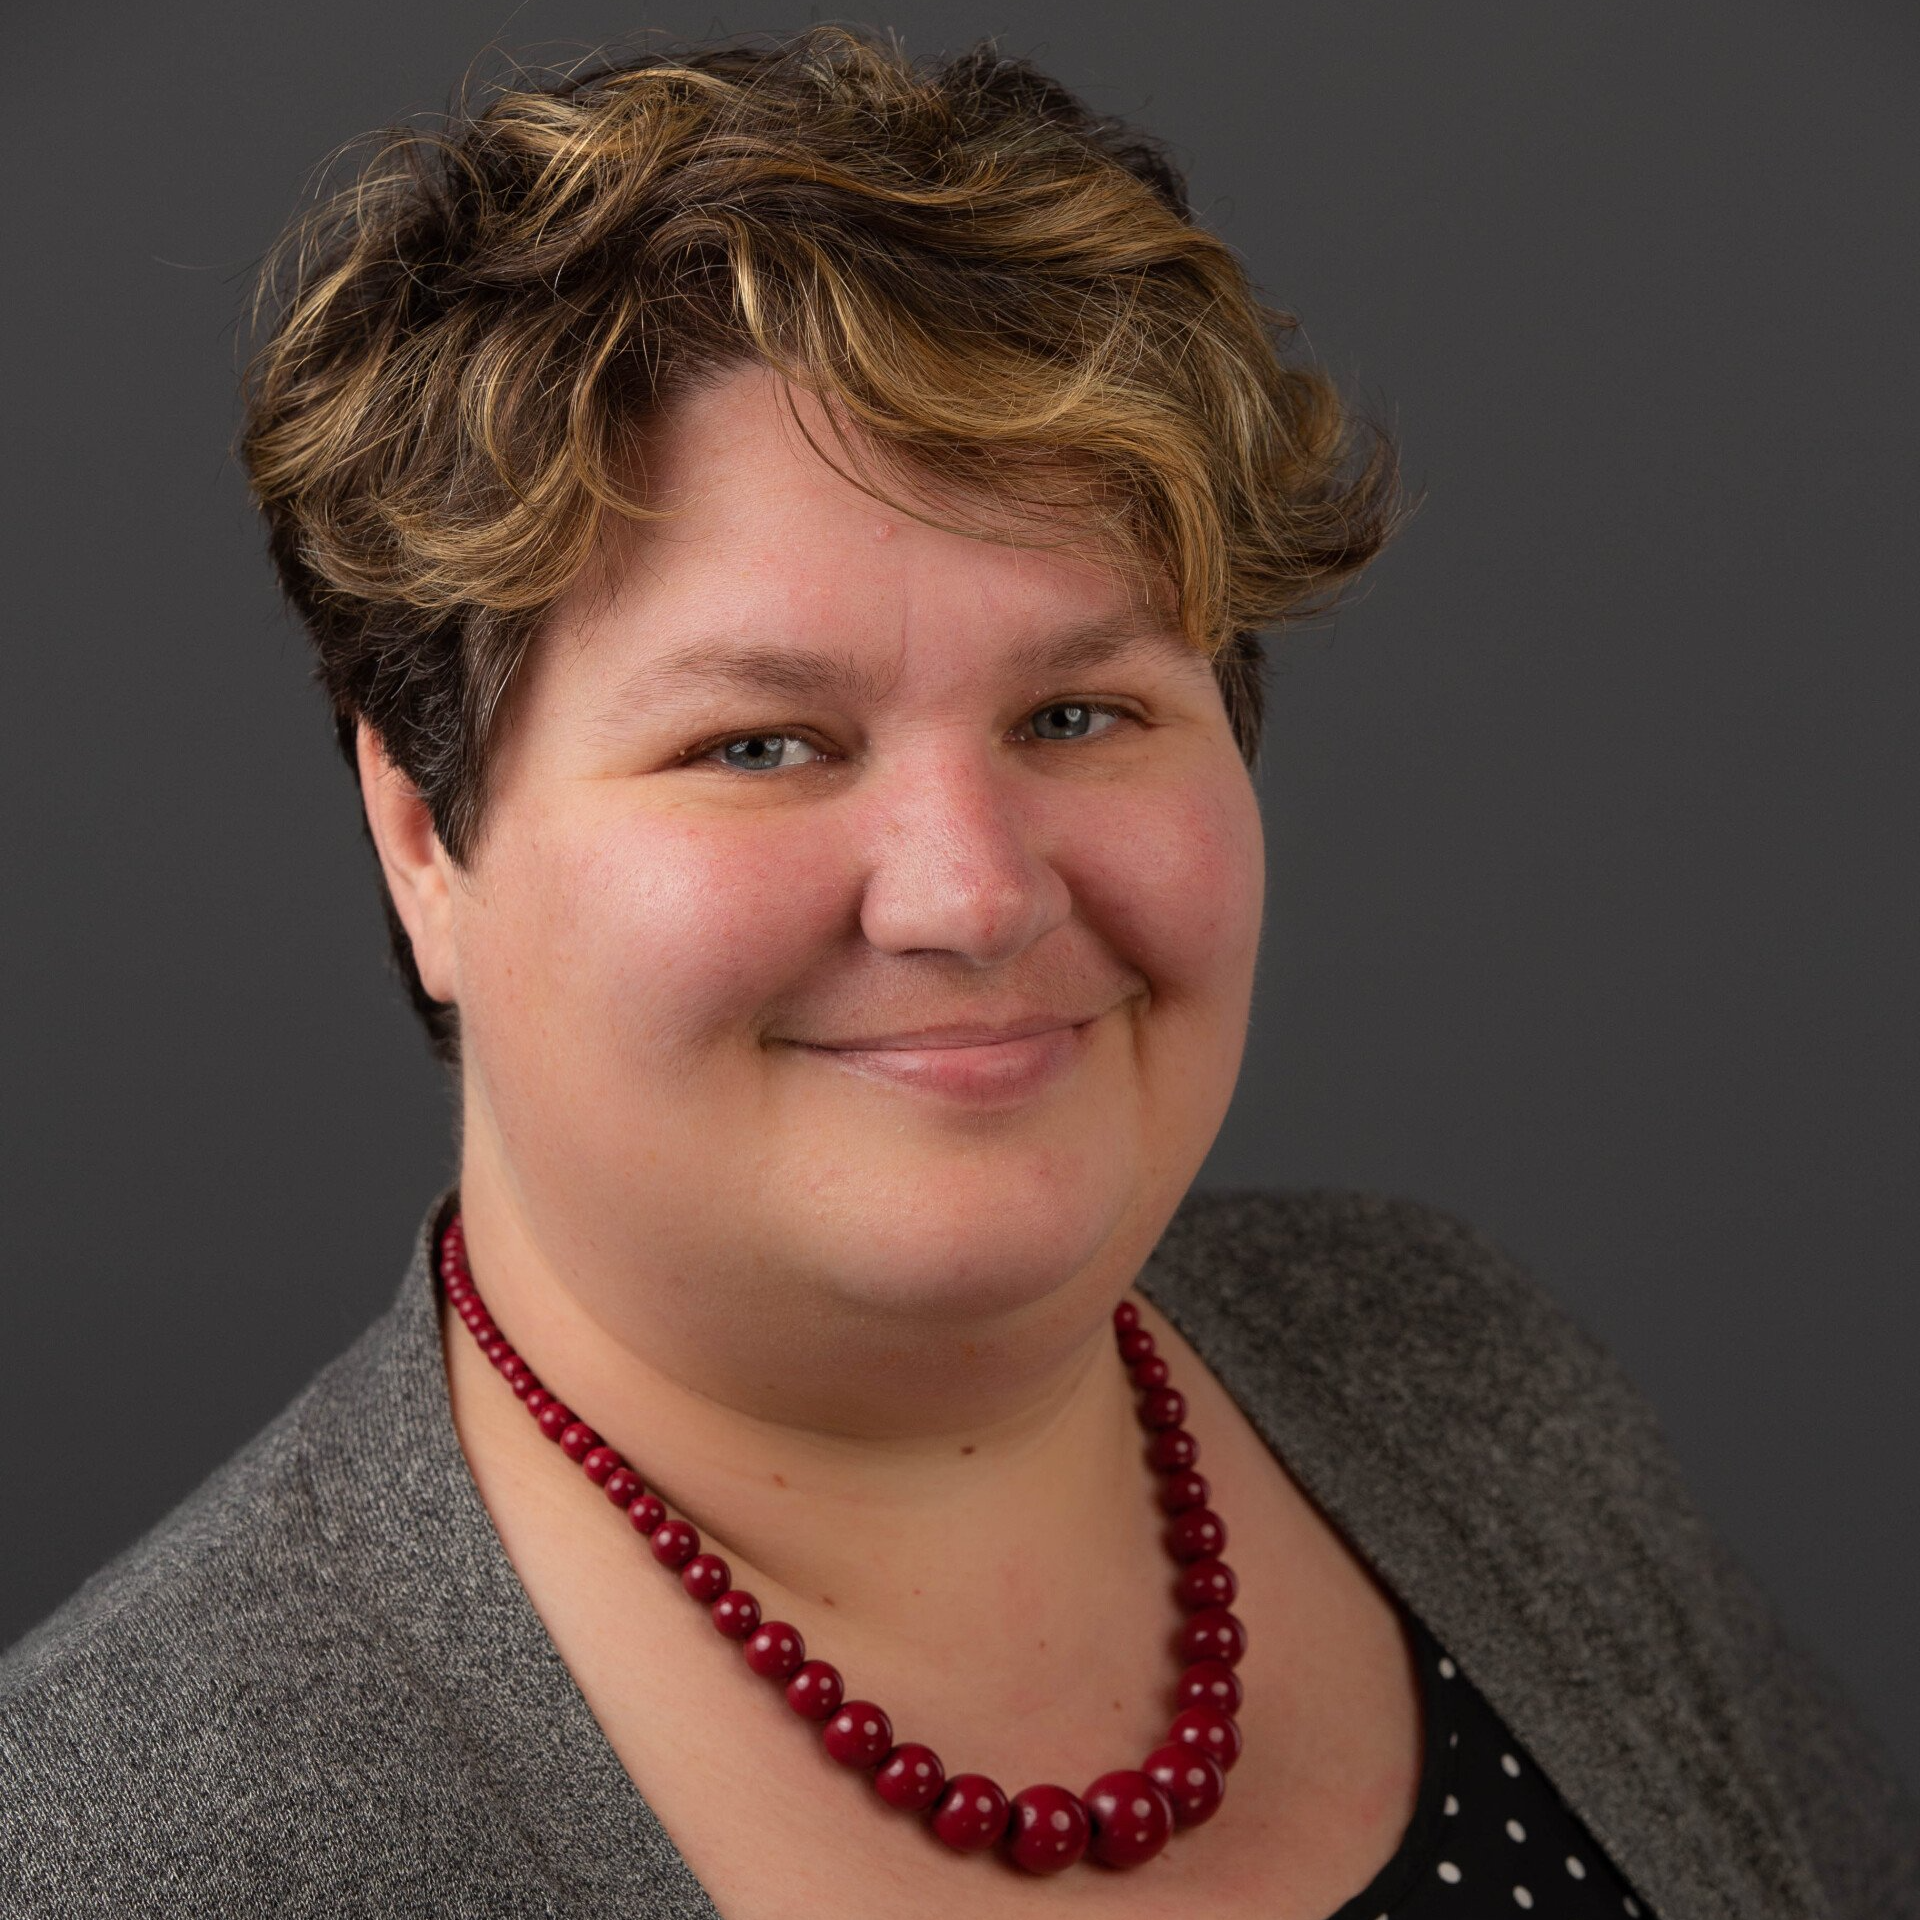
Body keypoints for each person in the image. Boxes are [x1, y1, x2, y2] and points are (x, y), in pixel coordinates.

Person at [2, 24, 1914, 1919]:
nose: (971, 896)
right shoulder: (122, 1846)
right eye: (762, 743)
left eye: (1081, 711)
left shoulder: (1460, 1379)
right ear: (427, 827)